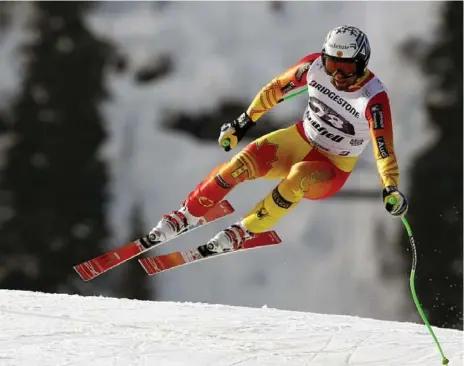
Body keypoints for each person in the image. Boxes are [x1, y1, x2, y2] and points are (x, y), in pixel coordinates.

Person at [149, 25, 408, 256]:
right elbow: (274, 90)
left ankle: (246, 229)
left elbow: (383, 149)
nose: (338, 75)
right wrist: (241, 124)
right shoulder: (313, 68)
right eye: (332, 65)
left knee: (298, 177)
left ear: (362, 64)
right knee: (240, 164)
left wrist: (390, 187)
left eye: (347, 68)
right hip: (299, 138)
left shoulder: (373, 98)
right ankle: (186, 215)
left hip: (332, 166)